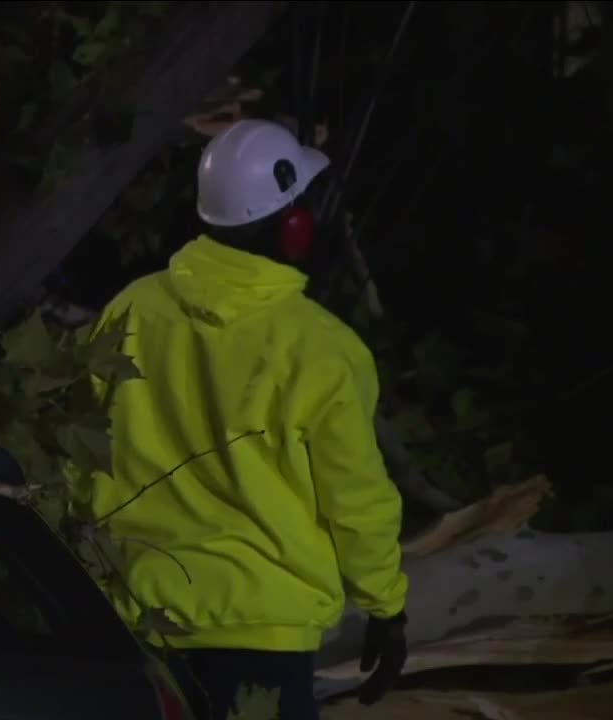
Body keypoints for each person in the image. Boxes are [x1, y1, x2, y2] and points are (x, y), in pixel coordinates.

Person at [70, 119, 409, 720]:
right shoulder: (321, 348)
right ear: (294, 227)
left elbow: (77, 451)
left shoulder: (129, 309)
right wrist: (385, 605)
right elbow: (355, 497)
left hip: (139, 616)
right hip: (264, 632)